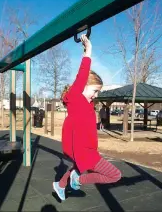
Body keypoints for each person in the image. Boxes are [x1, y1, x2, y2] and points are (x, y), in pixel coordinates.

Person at [53, 34, 121, 201]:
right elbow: (82, 74)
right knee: (115, 175)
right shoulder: (76, 98)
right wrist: (88, 51)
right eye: (94, 90)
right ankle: (79, 179)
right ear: (82, 86)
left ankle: (61, 184)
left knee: (77, 166)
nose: (96, 95)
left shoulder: (85, 104)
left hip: (83, 149)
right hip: (85, 152)